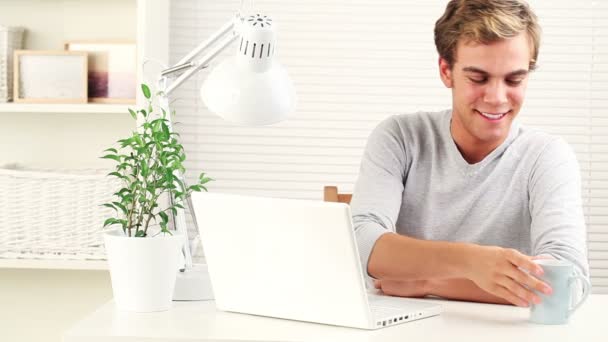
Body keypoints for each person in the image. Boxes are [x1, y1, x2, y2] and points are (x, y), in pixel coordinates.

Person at [350, 0, 589, 307]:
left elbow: (566, 283)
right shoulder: (401, 137)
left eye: (514, 79)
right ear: (446, 71)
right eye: (478, 78)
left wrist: (429, 281)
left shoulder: (547, 156)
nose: (497, 98)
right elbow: (360, 243)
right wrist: (472, 261)